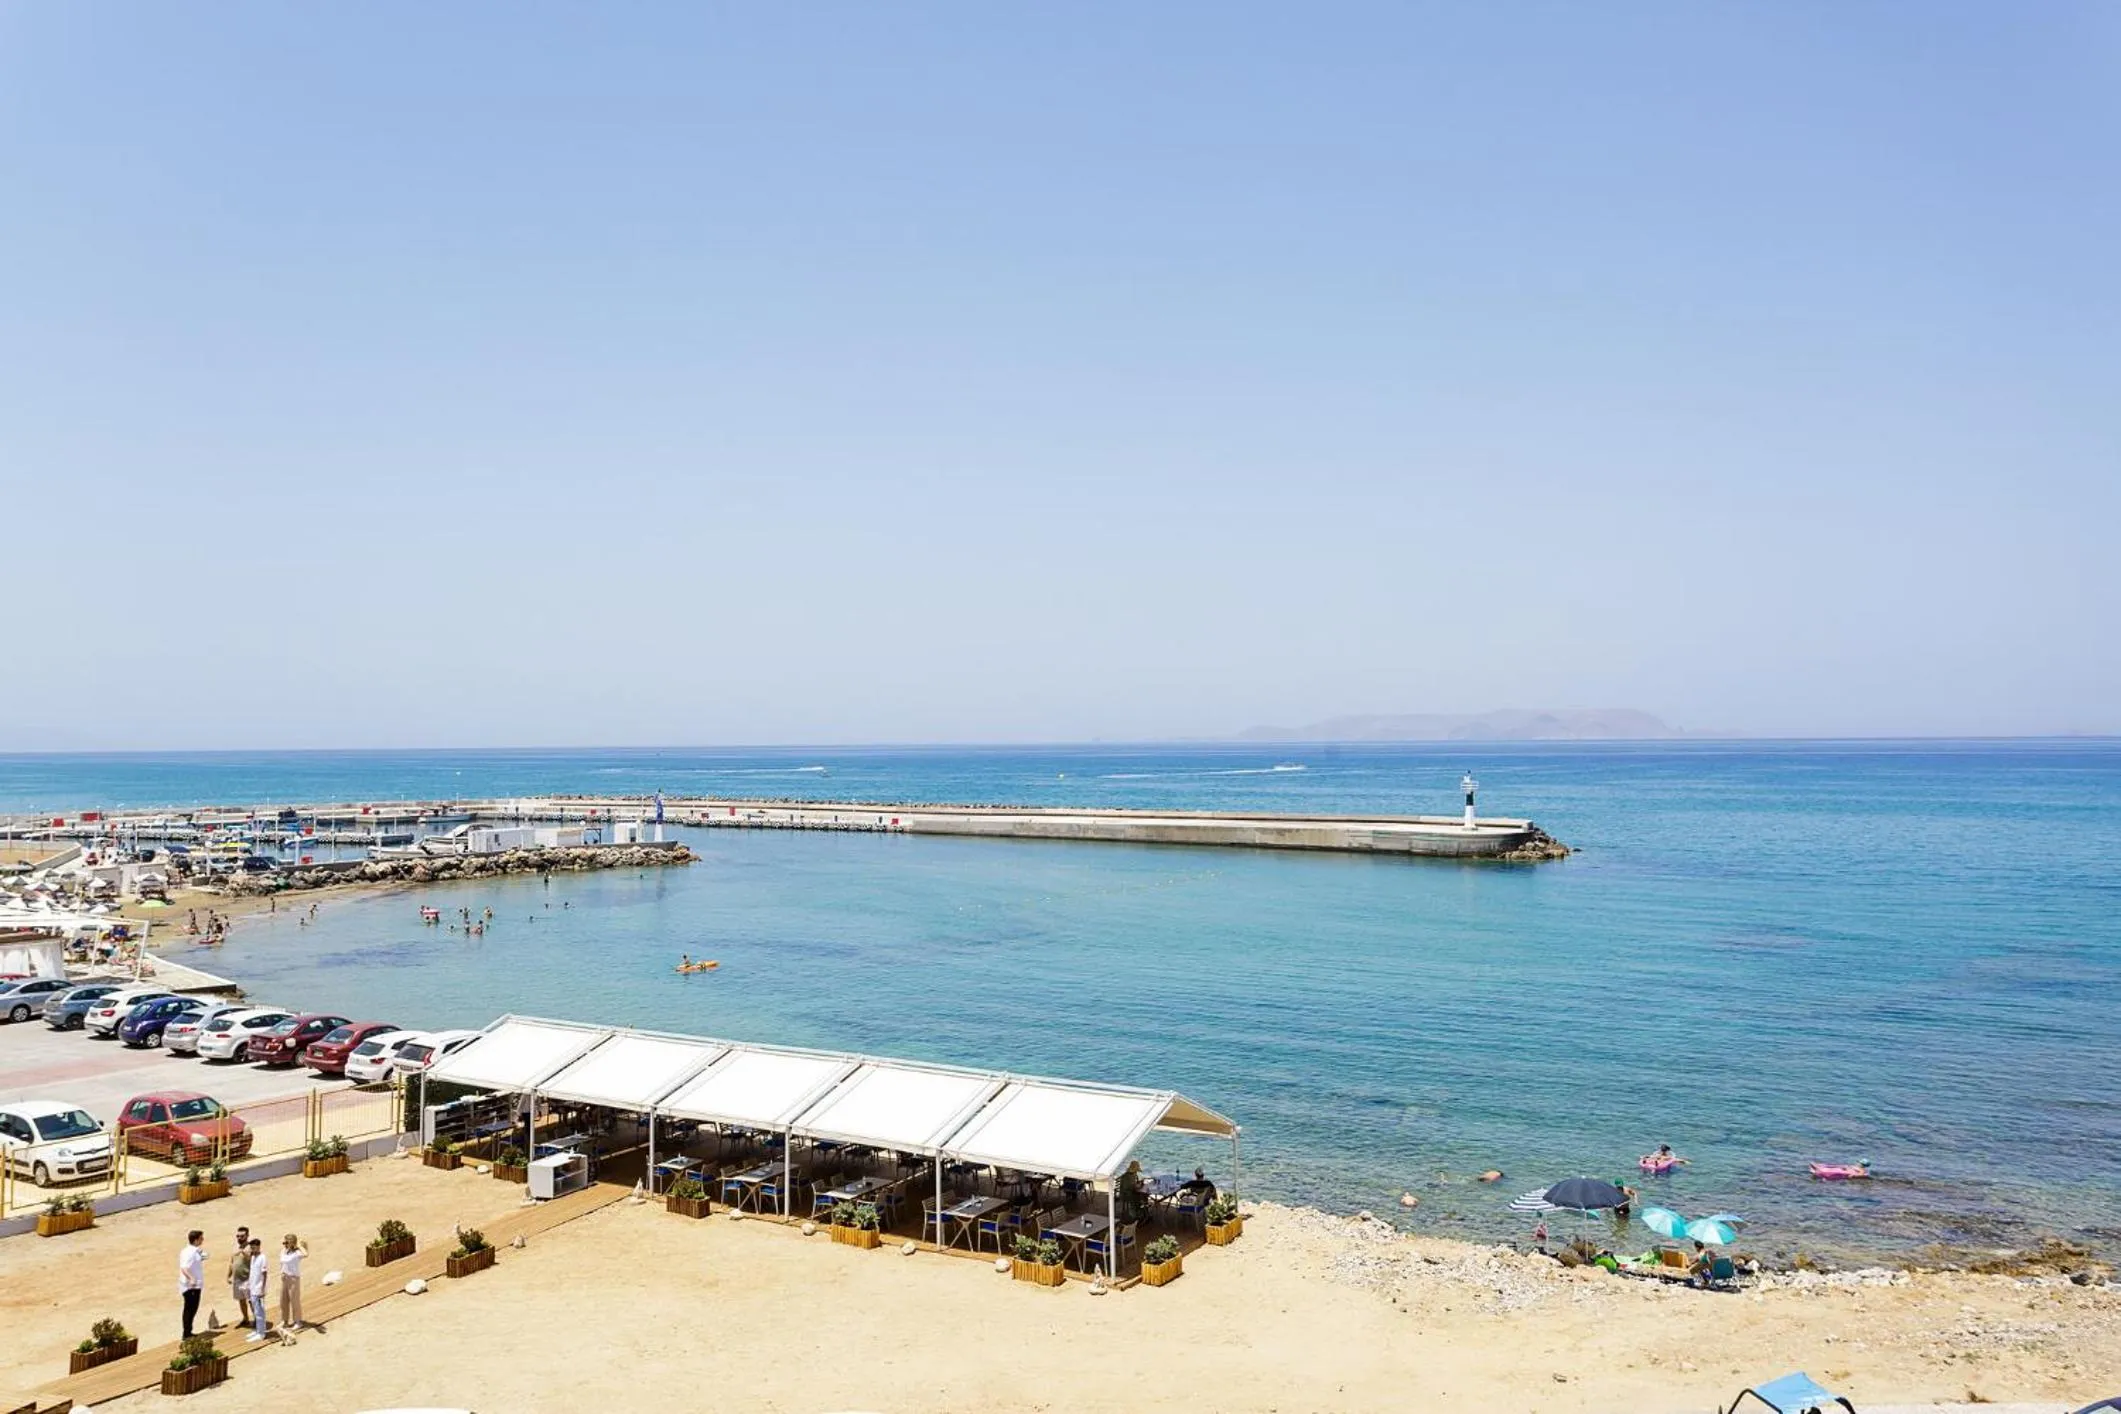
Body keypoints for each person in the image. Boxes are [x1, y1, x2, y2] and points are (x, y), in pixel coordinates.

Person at [178, 1230, 206, 1339]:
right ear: (196, 1240)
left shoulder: (190, 1250)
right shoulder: (191, 1252)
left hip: (192, 1285)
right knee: (190, 1309)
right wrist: (192, 1278)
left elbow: (201, 1258)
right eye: (201, 1238)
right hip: (191, 1286)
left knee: (191, 1309)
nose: (202, 1240)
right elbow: (184, 1268)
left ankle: (188, 1332)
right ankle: (187, 1333)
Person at [244, 1238, 271, 1342]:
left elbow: (264, 1274)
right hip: (252, 1288)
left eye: (254, 1247)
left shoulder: (262, 1258)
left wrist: (262, 1289)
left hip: (258, 1289)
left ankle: (261, 1333)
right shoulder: (253, 1257)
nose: (252, 1249)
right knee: (256, 1311)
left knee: (260, 1312)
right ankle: (257, 1330)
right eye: (251, 1247)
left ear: (258, 1247)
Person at [278, 1232, 307, 1331]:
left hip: (293, 1278)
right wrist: (282, 1272)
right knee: (283, 1301)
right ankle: (284, 1321)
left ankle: (298, 1321)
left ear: (292, 1243)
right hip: (284, 1278)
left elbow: (306, 1254)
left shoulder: (297, 1253)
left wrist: (299, 1246)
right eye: (284, 1242)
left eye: (286, 1242)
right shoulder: (283, 1251)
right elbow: (282, 1263)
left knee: (294, 1301)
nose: (284, 1244)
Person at [228, 1225, 253, 1328]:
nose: (239, 1238)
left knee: (252, 1301)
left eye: (242, 1236)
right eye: (237, 1236)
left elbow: (252, 1260)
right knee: (241, 1300)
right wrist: (228, 1276)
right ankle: (245, 1319)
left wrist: (244, 1252)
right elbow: (231, 1262)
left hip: (248, 1278)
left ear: (247, 1236)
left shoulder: (250, 1247)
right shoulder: (235, 1247)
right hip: (237, 1279)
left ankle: (258, 1319)